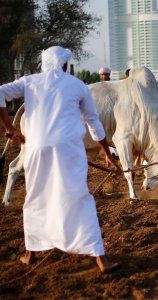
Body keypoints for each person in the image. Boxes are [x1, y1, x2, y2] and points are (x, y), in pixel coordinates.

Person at [0, 46, 122, 273]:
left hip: (36, 148)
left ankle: (30, 255)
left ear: (44, 63)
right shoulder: (77, 85)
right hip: (69, 149)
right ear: (65, 65)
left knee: (36, 196)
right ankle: (100, 259)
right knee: (79, 198)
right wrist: (107, 153)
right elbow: (94, 123)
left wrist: (10, 129)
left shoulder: (30, 81)